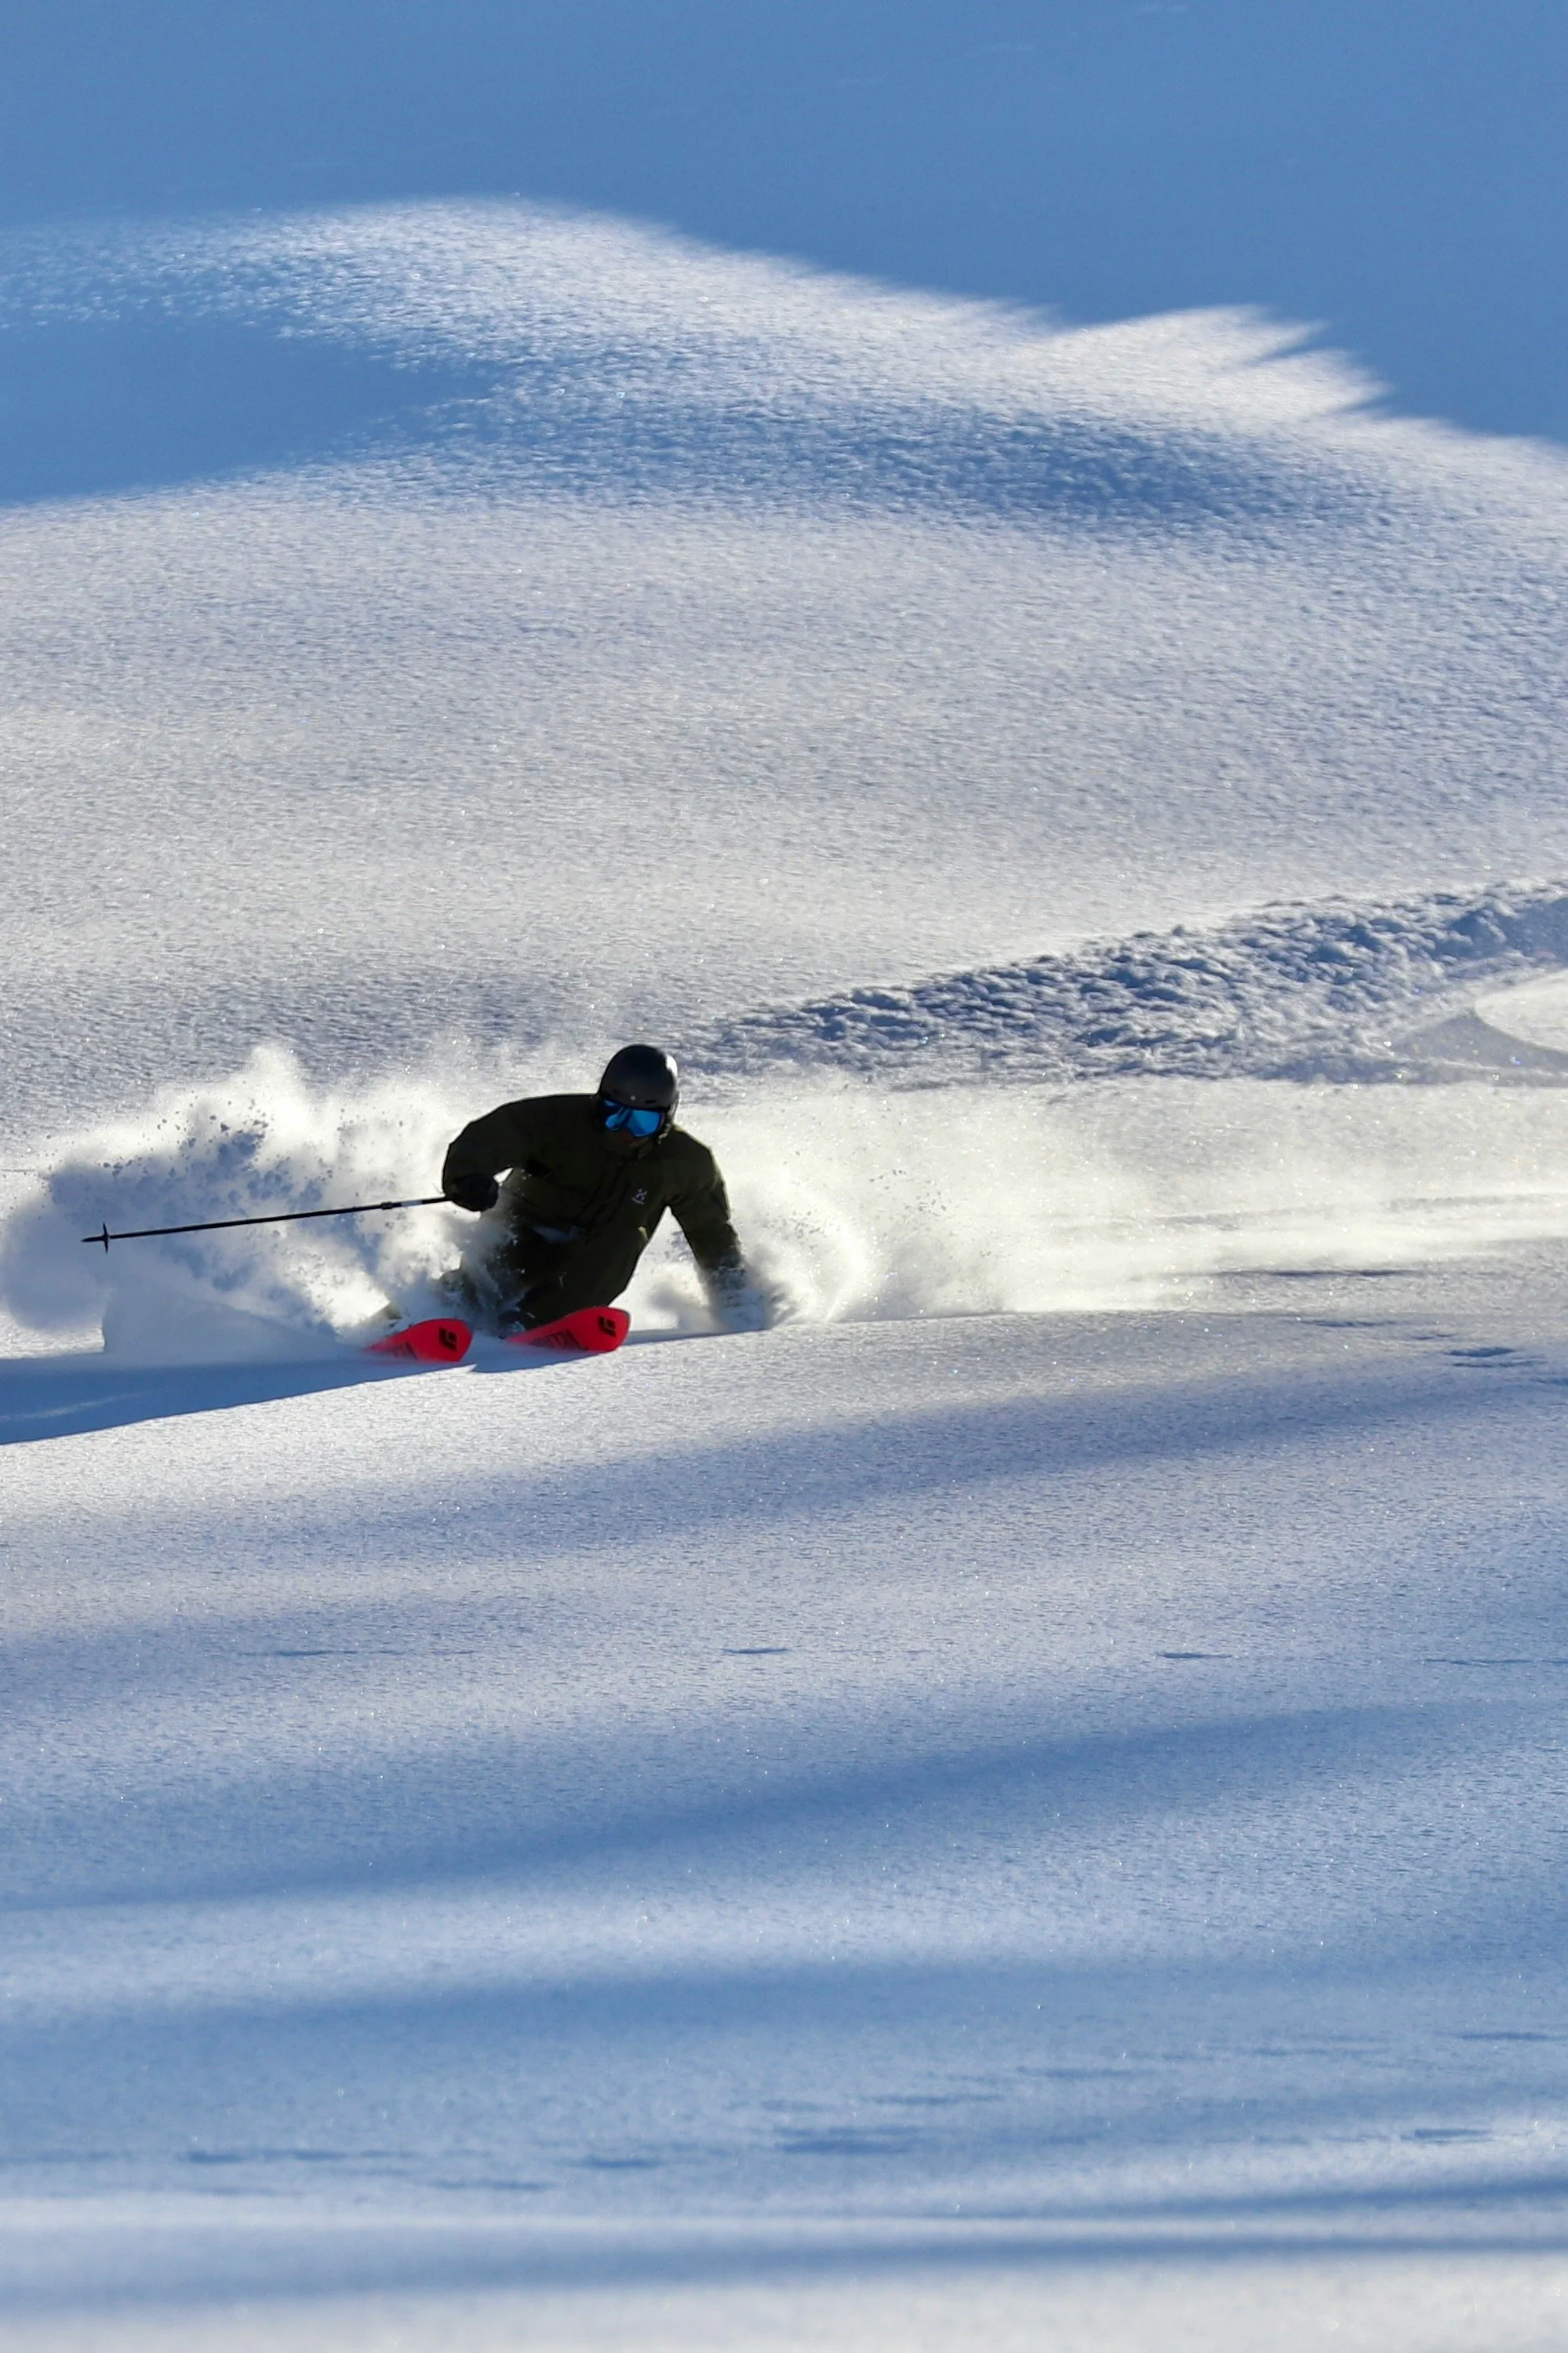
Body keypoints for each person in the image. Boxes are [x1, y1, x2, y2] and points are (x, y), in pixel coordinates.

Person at [440, 1044, 755, 1334]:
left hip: (591, 1264)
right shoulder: (559, 1122)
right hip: (523, 1233)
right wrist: (467, 1178)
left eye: (642, 1122)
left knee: (627, 1236)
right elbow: (490, 1138)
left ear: (667, 1117)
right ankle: (431, 1312)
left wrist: (737, 1304)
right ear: (598, 1102)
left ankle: (537, 1320)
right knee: (481, 1285)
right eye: (613, 1114)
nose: (625, 1131)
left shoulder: (684, 1163)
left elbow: (711, 1235)